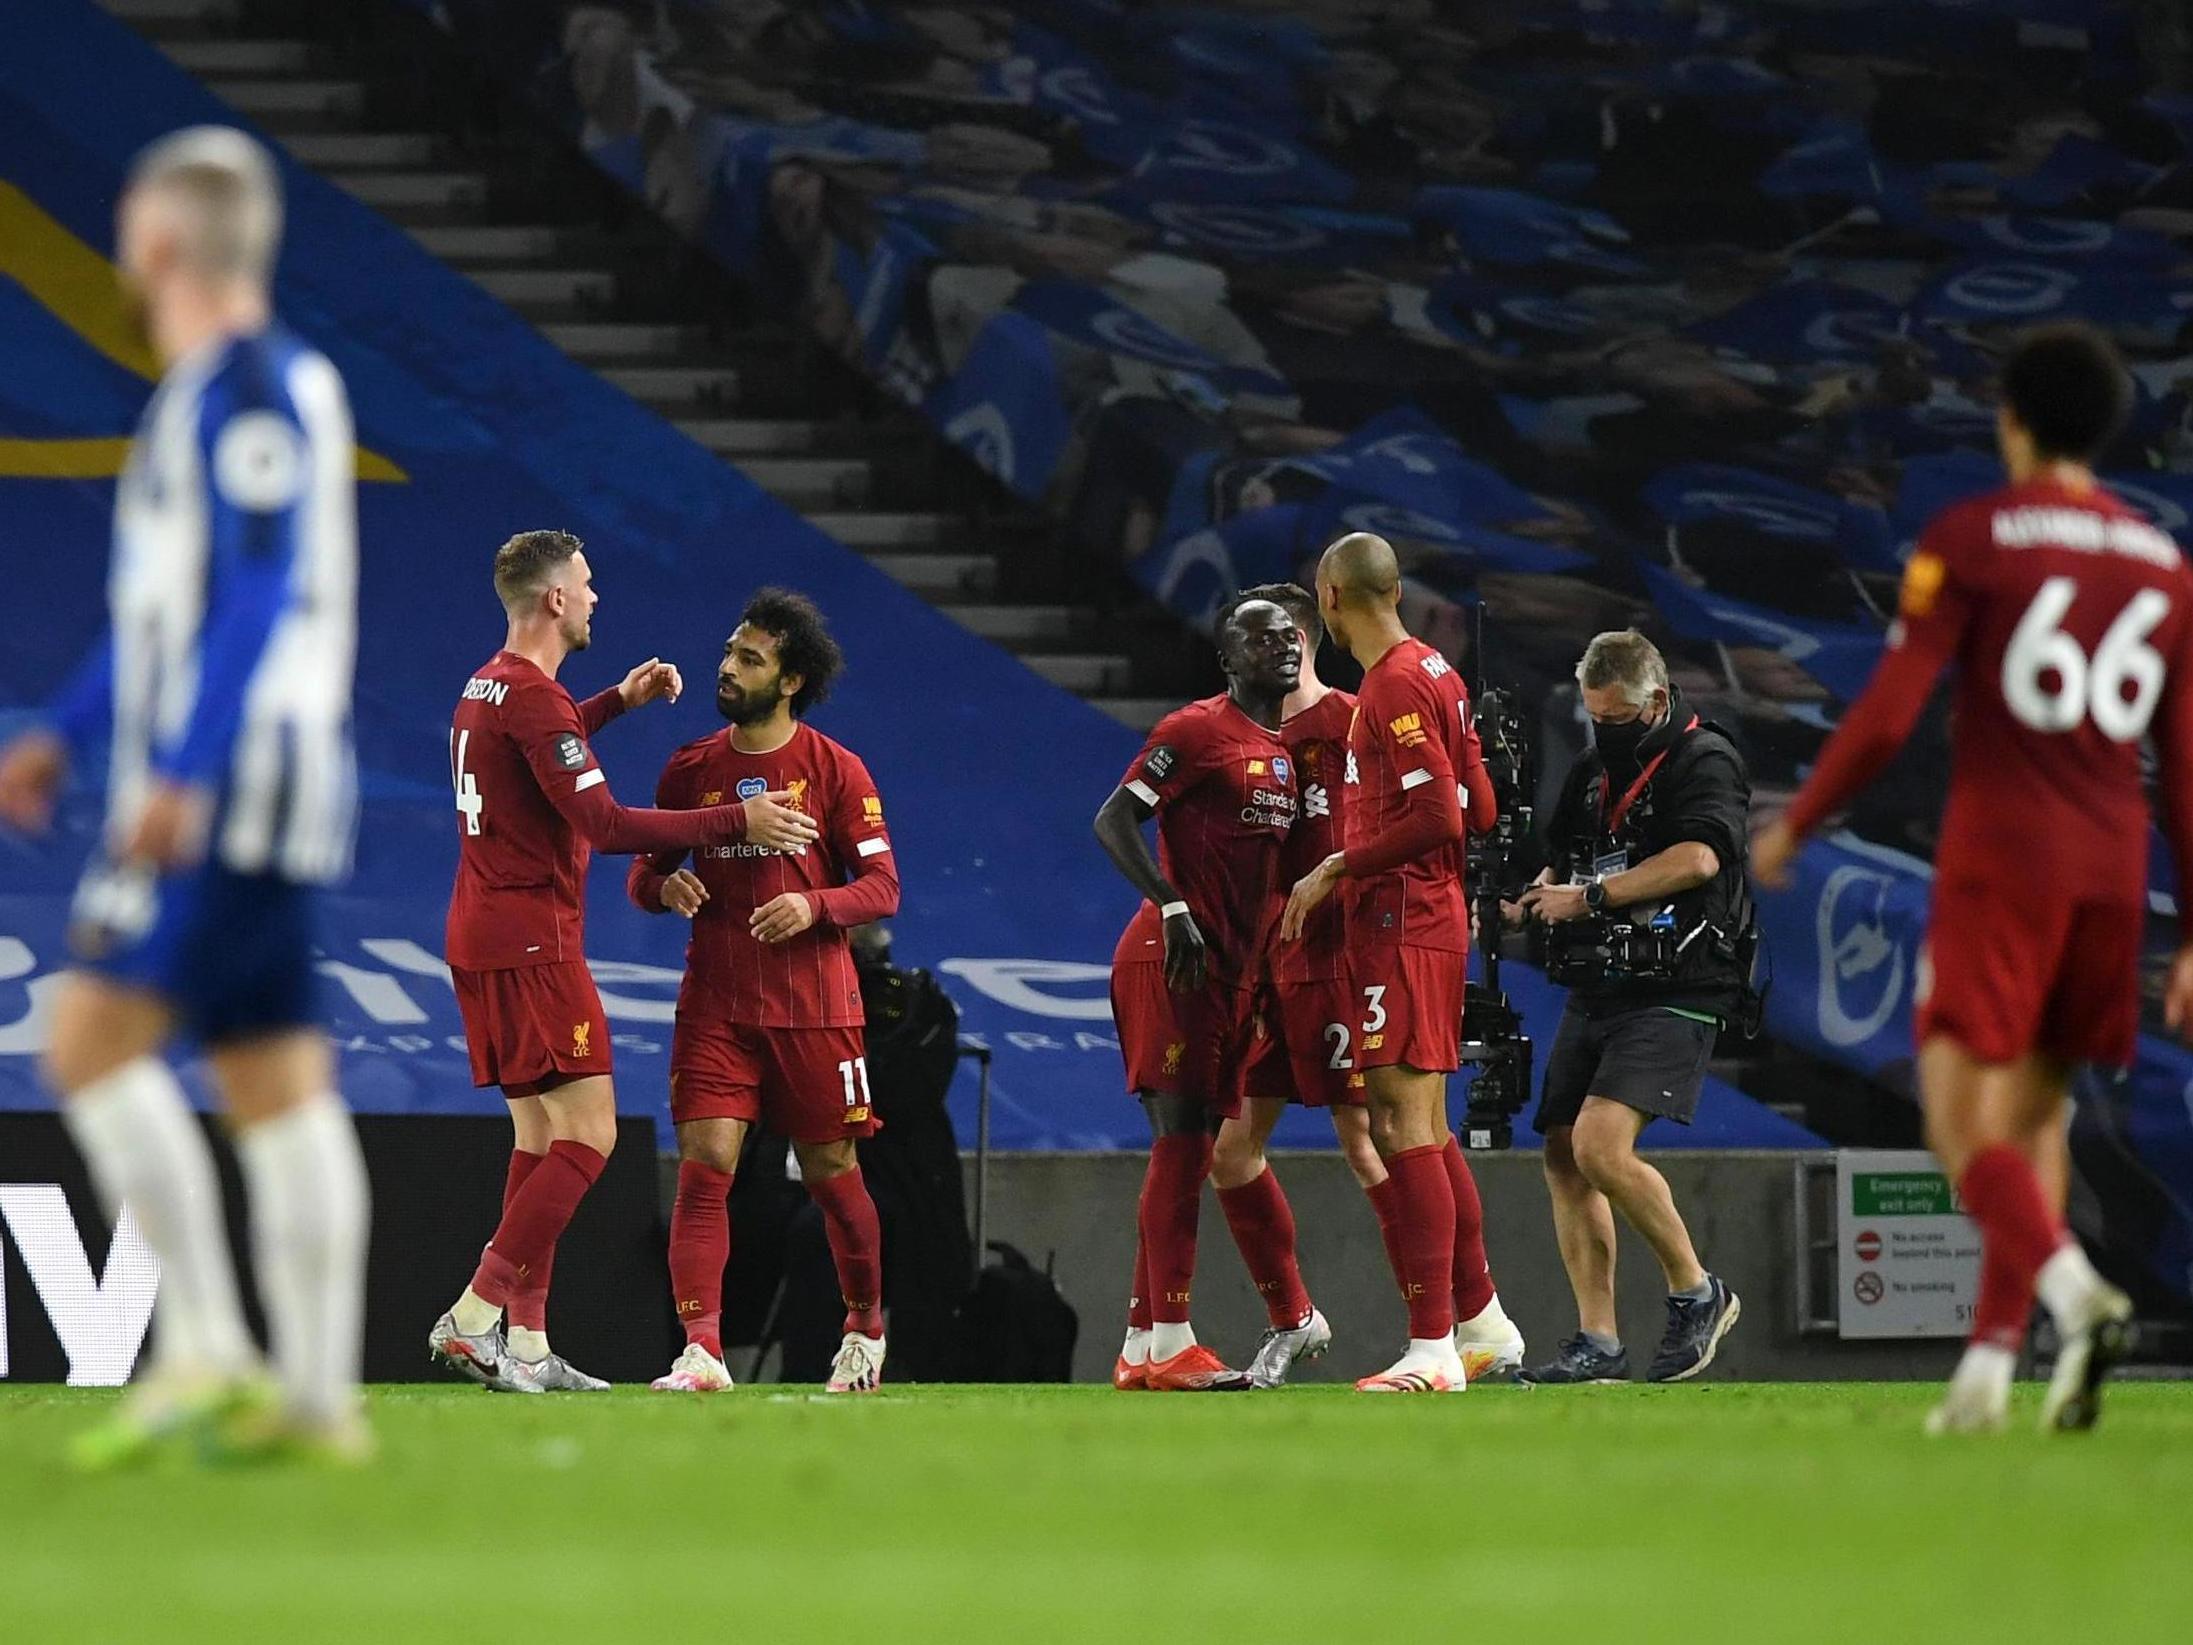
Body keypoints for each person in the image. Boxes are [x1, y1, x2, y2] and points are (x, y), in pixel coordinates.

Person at [0, 128, 371, 1463]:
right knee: (272, 1073)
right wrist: (63, 730)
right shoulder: (204, 394)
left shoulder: (257, 388)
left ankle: (212, 1344)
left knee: (92, 1038)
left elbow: (260, 590)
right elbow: (162, 616)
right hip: (230, 782)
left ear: (157, 241)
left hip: (237, 786)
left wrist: (183, 767)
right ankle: (317, 1402)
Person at [1756, 322, 2193, 1435]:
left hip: (2004, 856)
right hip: (2111, 867)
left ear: (2010, 418)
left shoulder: (1973, 535)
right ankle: (1988, 1378)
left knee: (1959, 1120)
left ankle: (2076, 1292)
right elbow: (2183, 764)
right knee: (2038, 1120)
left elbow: (1895, 706)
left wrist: (1798, 820)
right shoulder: (2162, 561)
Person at [430, 533, 818, 1390]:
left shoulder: (488, 683)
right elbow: (605, 826)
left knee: (540, 1133)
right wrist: (735, 823)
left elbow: (540, 746)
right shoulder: (532, 698)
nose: (597, 596)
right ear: (556, 601)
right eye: (587, 583)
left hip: (482, 932)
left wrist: (616, 700)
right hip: (533, 941)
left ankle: (525, 1344)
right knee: (592, 1134)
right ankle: (475, 1313)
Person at [628, 590, 901, 1396]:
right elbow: (643, 873)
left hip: (816, 1008)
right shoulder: (691, 768)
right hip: (716, 1001)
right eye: (728, 650)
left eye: (748, 658)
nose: (726, 666)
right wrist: (664, 889)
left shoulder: (833, 769)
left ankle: (865, 1325)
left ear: (788, 681)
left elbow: (882, 887)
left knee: (830, 1170)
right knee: (705, 1165)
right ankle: (701, 1350)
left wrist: (813, 905)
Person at [1282, 533, 1523, 1393]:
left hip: (1401, 923)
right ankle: (1483, 1320)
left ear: (1333, 595)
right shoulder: (1438, 673)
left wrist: (1336, 863)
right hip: (1426, 920)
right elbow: (1482, 804)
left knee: (1404, 1127)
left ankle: (1431, 1349)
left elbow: (1443, 821)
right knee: (1422, 1124)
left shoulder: (1387, 687)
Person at [1507, 630, 1747, 1386]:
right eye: (1592, 718)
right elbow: (1568, 853)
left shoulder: (1703, 757)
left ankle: (1696, 1290)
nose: (1604, 732)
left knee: (1600, 1147)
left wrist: (1591, 896)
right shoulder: (1591, 768)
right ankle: (1597, 1341)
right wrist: (1534, 898)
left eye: (1617, 720)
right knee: (1561, 1151)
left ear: (1656, 697)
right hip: (1604, 980)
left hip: (1680, 982)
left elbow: (1700, 857)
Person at [1095, 596, 1302, 1391]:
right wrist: (1171, 902)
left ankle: (1143, 1343)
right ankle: (1171, 1338)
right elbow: (1113, 820)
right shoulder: (1194, 731)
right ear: (1228, 657)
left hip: (1227, 976)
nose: (1278, 645)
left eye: (1287, 634)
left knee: (1191, 1148)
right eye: (1258, 637)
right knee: (1182, 1146)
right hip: (1170, 958)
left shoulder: (1279, 752)